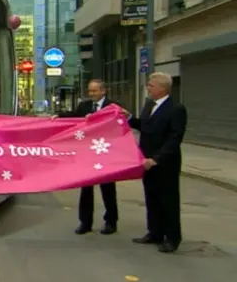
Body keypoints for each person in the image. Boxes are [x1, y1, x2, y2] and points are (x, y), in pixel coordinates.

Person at [124, 72, 187, 253]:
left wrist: (157, 159)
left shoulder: (176, 108)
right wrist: (129, 118)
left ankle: (172, 237)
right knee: (151, 198)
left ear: (162, 88)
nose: (148, 88)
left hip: (165, 163)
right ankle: (155, 232)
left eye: (151, 85)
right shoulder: (149, 105)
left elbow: (174, 139)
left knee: (168, 200)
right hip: (146, 161)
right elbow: (144, 126)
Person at [51, 79, 119, 235]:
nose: (92, 94)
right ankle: (85, 222)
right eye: (90, 91)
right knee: (86, 189)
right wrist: (59, 116)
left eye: (95, 91)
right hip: (87, 153)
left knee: (108, 189)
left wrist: (97, 119)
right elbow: (73, 117)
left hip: (105, 152)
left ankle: (111, 222)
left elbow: (117, 125)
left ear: (103, 91)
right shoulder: (84, 106)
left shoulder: (112, 106)